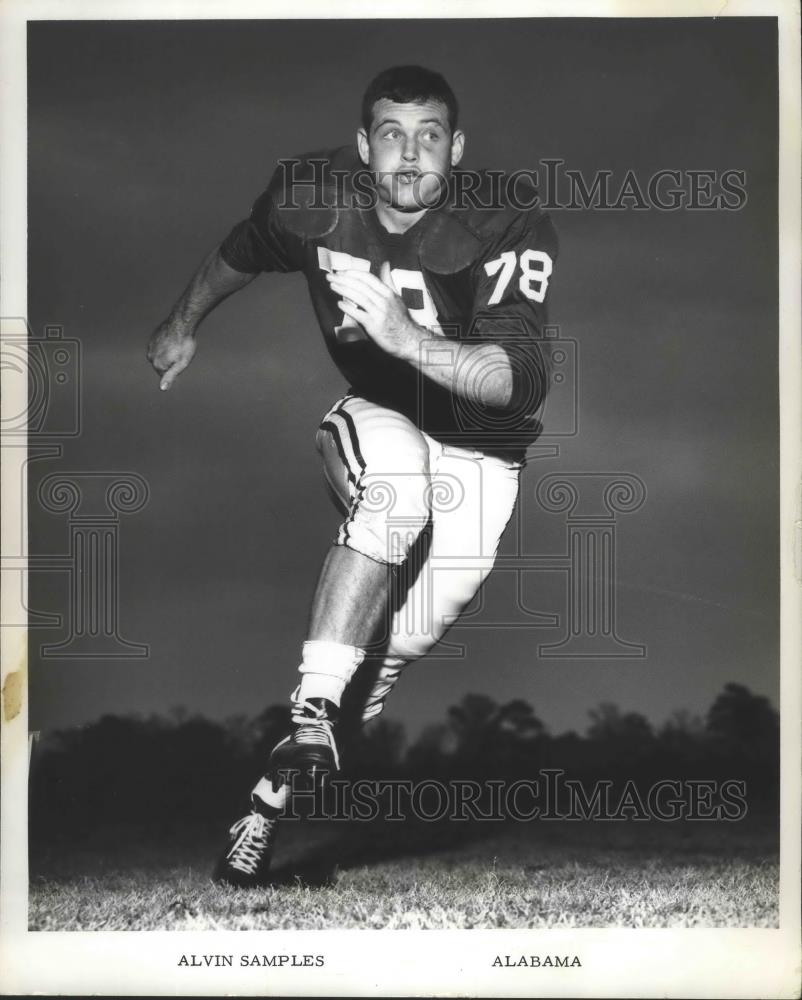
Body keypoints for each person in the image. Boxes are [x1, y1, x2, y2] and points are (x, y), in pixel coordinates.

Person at [147, 65, 557, 887]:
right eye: (393, 135)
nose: (410, 157)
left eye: (430, 136)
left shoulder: (503, 220)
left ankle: (269, 797)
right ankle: (310, 710)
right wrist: (183, 321)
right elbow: (240, 249)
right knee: (395, 488)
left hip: (485, 444)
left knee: (408, 638)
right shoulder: (312, 196)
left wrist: (409, 339)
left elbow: (517, 380)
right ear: (364, 146)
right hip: (379, 410)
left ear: (458, 148)